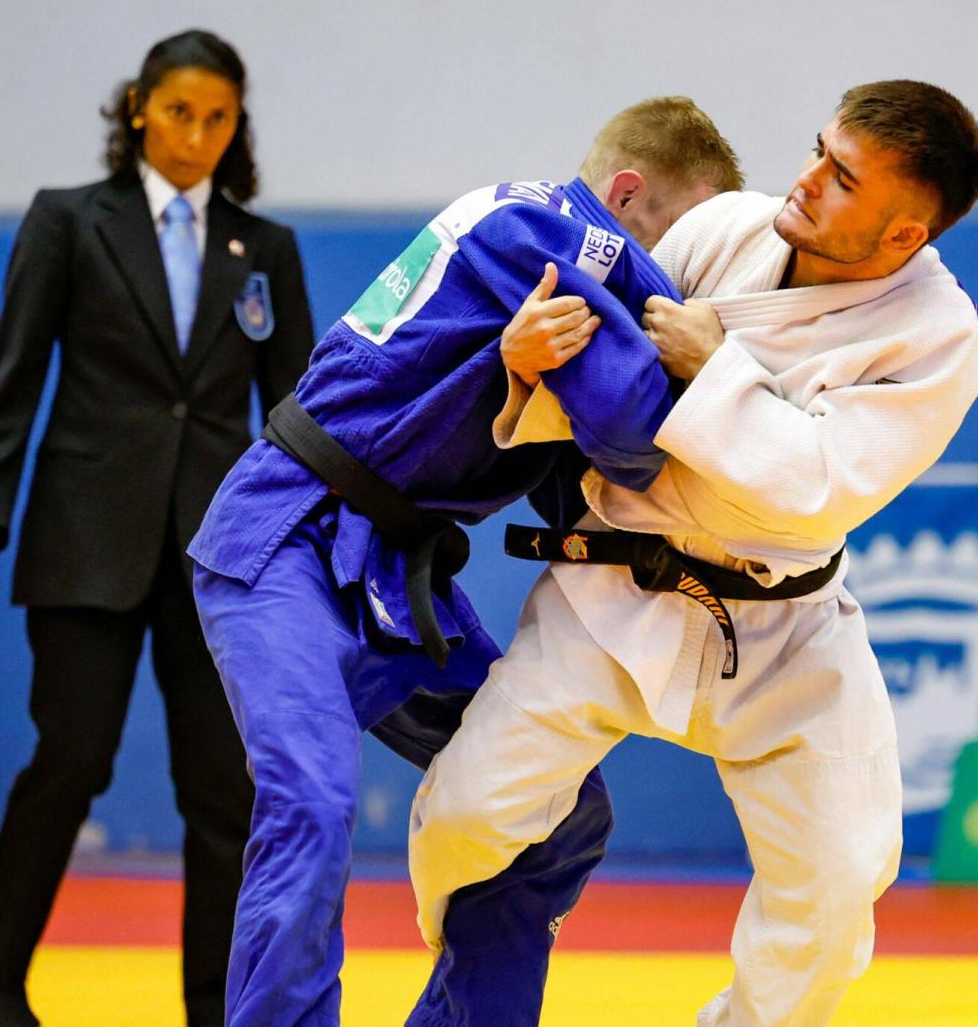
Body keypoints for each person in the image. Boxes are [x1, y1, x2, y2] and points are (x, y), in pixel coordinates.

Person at [408, 80, 978, 1026]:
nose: (805, 181)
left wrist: (717, 364)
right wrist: (523, 362)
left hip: (784, 624)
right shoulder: (722, 230)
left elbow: (817, 484)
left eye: (842, 179)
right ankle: (468, 961)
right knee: (467, 814)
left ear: (903, 237)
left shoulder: (938, 341)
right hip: (616, 588)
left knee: (840, 887)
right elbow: (598, 382)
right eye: (818, 150)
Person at [186, 97, 743, 1026]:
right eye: (682, 235)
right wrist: (725, 365)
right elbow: (635, 428)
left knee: (554, 809)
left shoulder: (532, 248)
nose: (677, 274)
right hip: (289, 536)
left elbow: (596, 479)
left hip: (394, 581)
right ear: (627, 192)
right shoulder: (557, 229)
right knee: (313, 803)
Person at [0, 30, 314, 1027]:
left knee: (221, 794)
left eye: (219, 117)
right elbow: (14, 374)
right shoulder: (69, 223)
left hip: (220, 557)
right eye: (181, 111)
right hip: (83, 538)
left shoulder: (264, 249)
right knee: (70, 760)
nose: (198, 134)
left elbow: (294, 412)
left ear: (236, 125)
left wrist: (314, 544)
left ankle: (213, 1007)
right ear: (140, 107)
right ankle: (0, 987)